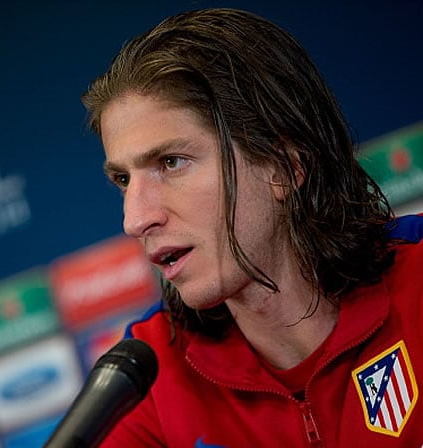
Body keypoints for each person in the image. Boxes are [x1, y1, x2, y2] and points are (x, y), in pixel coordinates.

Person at [81, 8, 423, 447]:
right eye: (123, 180)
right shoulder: (148, 378)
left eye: (171, 162)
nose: (135, 219)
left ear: (284, 166)